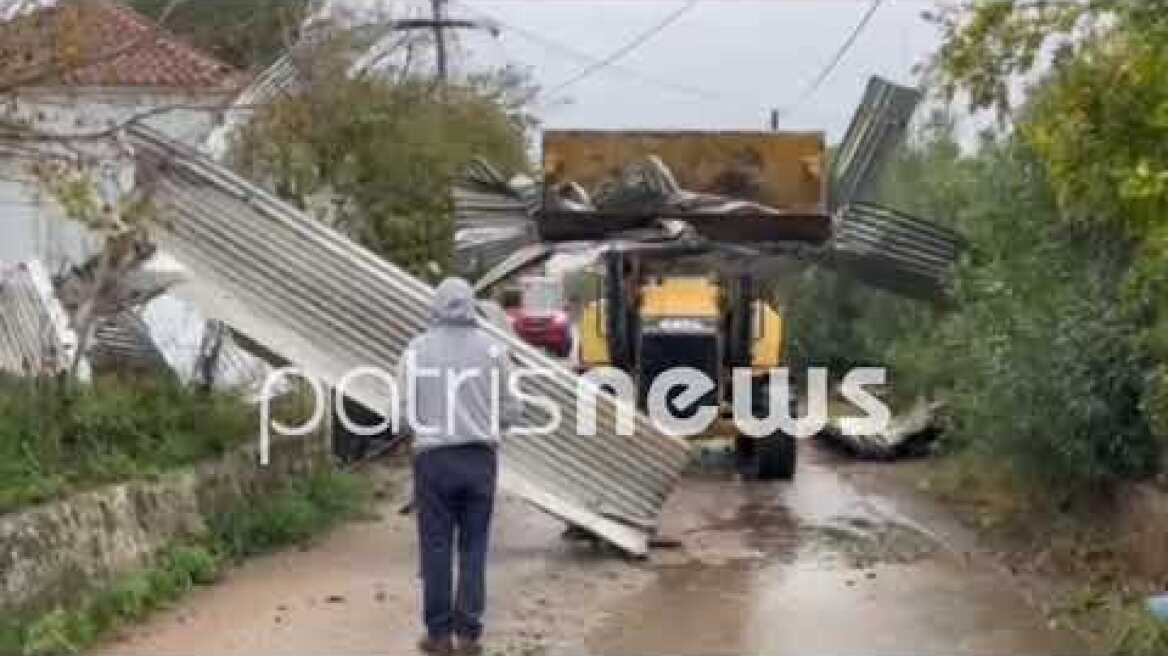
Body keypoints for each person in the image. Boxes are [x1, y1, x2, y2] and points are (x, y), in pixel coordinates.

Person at [398, 277, 520, 656]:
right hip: (479, 460)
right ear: (472, 307)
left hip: (433, 461)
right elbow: (513, 410)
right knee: (474, 547)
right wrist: (486, 424)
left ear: (435, 306)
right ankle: (468, 635)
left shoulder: (415, 351)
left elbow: (400, 416)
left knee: (435, 547)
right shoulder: (494, 351)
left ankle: (438, 636)